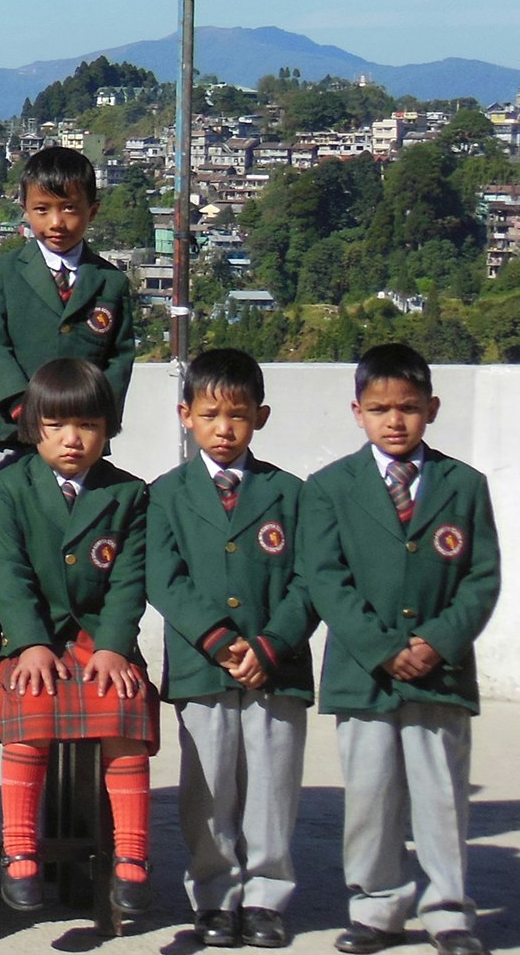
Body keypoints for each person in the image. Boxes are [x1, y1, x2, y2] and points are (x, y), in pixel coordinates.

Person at [301, 344, 499, 955]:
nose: (395, 421)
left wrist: (437, 642)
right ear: (356, 411)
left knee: (440, 794)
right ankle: (376, 906)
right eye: (381, 408)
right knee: (370, 794)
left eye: (409, 408)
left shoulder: (465, 486)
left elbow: (482, 577)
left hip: (440, 675)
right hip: (366, 675)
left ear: (432, 409)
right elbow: (324, 577)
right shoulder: (330, 487)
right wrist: (385, 647)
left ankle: (447, 910)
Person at [147, 349, 313, 948]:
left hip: (276, 667)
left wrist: (270, 643)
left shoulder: (291, 494)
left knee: (272, 786)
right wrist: (219, 641)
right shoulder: (164, 495)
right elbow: (165, 578)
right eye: (211, 414)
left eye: (239, 416)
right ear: (185, 414)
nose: (225, 429)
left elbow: (310, 578)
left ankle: (267, 897)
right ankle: (215, 894)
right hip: (203, 665)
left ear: (261, 417)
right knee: (209, 788)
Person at [0, 358, 156, 915]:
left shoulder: (128, 494)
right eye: (55, 425)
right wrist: (30, 641)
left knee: (125, 701)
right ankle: (20, 852)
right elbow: (7, 571)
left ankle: (131, 857)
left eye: (86, 425)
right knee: (30, 702)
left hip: (99, 639)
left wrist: (112, 646)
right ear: (34, 426)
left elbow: (130, 579)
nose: (71, 439)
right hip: (32, 639)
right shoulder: (9, 487)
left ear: (107, 429)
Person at [0, 145, 135, 453]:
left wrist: (98, 417)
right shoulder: (3, 273)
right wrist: (22, 406)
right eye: (42, 209)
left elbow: (119, 358)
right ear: (25, 208)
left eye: (69, 208)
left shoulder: (110, 281)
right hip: (14, 427)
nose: (56, 222)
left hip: (80, 435)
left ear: (93, 210)